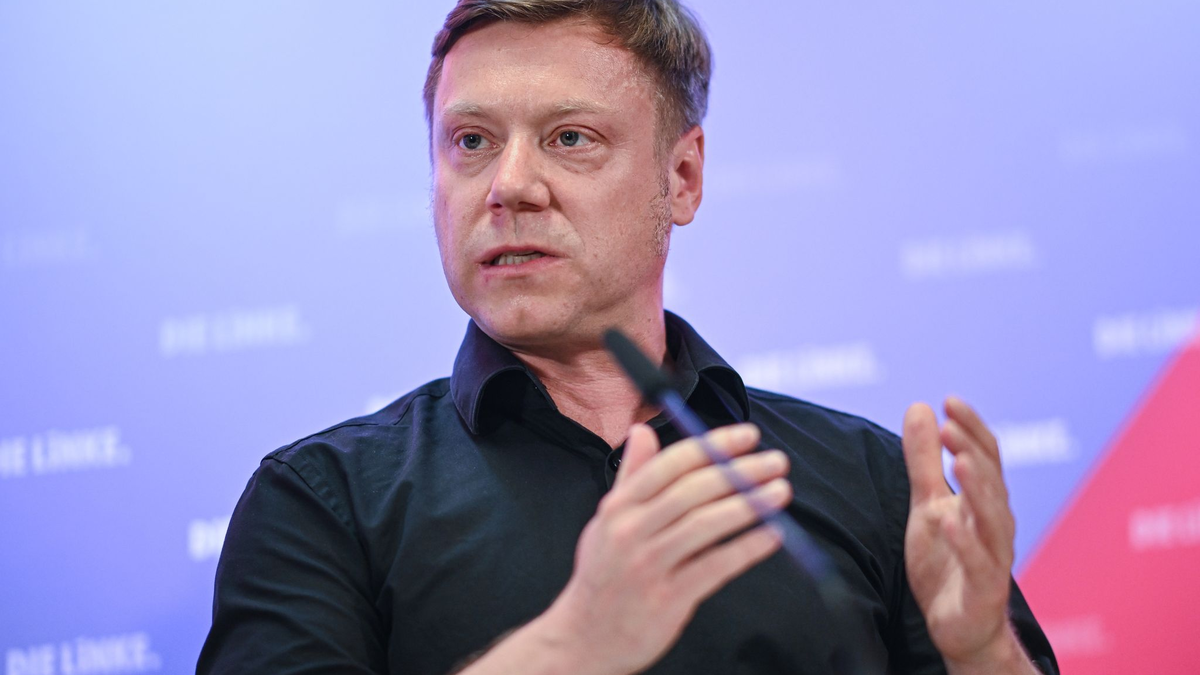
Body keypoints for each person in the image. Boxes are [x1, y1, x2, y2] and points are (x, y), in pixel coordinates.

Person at [198, 1, 1058, 673]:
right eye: (471, 141)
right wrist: (572, 646)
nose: (509, 185)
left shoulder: (872, 484)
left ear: (682, 178)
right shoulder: (319, 505)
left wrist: (981, 654)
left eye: (570, 138)